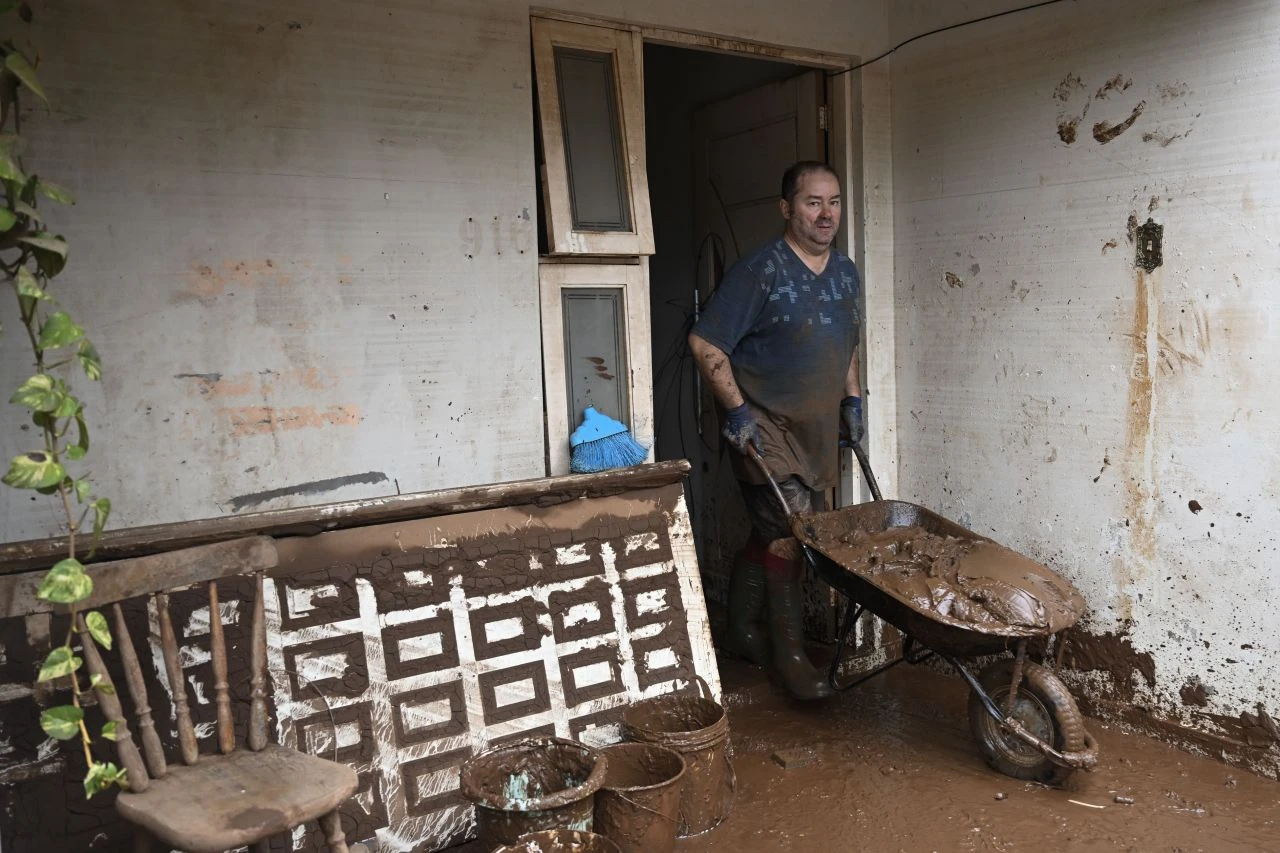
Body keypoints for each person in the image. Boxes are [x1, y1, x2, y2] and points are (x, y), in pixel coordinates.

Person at [688, 161, 863, 700]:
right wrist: (737, 411)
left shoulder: (845, 272)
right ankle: (790, 659)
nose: (826, 213)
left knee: (769, 533)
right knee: (791, 537)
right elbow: (705, 344)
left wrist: (851, 397)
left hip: (814, 431)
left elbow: (845, 342)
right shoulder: (759, 271)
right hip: (763, 427)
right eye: (813, 202)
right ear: (787, 208)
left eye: (833, 201)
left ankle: (741, 630)